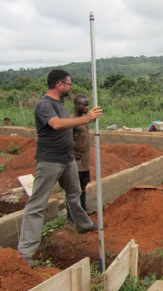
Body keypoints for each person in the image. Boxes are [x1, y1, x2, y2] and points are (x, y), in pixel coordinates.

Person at [18, 69, 103, 267]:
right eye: (69, 84)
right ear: (59, 85)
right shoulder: (45, 105)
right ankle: (25, 253)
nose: (70, 87)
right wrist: (87, 118)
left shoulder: (59, 104)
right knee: (37, 205)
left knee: (73, 194)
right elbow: (56, 124)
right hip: (49, 161)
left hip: (67, 159)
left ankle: (83, 225)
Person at [66, 94, 94, 222]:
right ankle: (71, 217)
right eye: (84, 105)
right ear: (76, 105)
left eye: (87, 105)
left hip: (84, 161)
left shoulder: (83, 120)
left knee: (82, 185)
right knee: (74, 189)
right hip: (76, 161)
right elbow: (67, 139)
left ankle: (83, 209)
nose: (86, 107)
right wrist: (73, 152)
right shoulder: (72, 121)